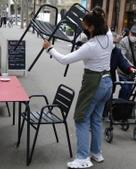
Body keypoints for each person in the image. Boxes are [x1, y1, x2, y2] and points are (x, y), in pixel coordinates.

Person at [43, 7, 113, 168]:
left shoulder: (90, 46)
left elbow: (65, 60)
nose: (84, 28)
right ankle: (96, 153)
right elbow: (102, 22)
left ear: (92, 27)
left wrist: (50, 48)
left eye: (86, 26)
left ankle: (82, 158)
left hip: (93, 83)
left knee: (81, 119)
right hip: (107, 81)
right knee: (95, 119)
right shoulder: (109, 36)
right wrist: (95, 13)